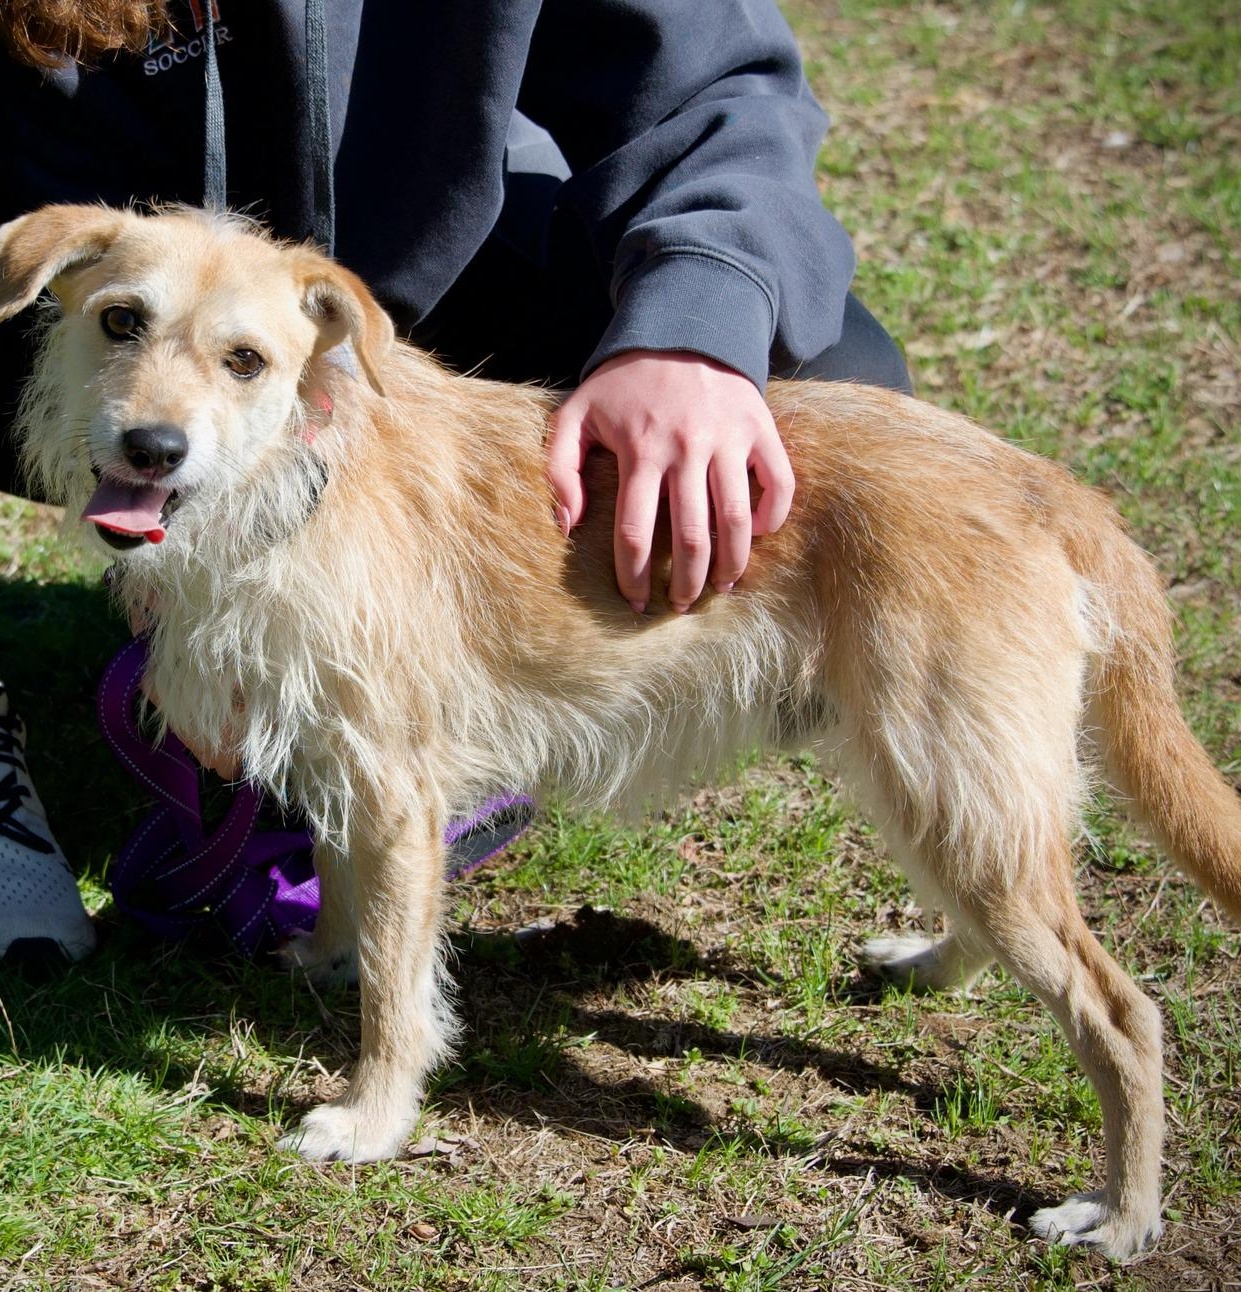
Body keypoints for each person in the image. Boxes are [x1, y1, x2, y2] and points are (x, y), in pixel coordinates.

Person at [0, 0, 911, 962]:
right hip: (68, 301)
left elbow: (713, 77)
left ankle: (446, 671)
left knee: (824, 378)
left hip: (442, 282)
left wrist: (693, 323)